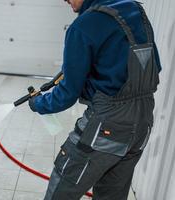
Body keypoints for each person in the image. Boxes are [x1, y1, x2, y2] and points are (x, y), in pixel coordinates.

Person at [28, 0, 161, 199]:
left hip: (106, 125)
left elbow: (66, 95)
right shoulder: (134, 9)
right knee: (112, 195)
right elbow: (154, 67)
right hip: (143, 124)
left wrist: (38, 103)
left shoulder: (82, 26)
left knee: (62, 188)